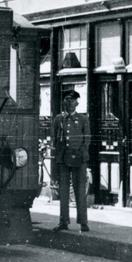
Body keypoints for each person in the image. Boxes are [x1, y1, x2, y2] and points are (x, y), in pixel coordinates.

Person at [52, 89, 91, 232]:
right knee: (63, 192)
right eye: (67, 99)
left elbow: (87, 139)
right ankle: (64, 221)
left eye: (72, 100)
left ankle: (83, 222)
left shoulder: (83, 119)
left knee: (80, 190)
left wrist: (79, 154)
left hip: (79, 159)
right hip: (63, 158)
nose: (69, 103)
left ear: (77, 103)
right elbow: (55, 139)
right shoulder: (59, 119)